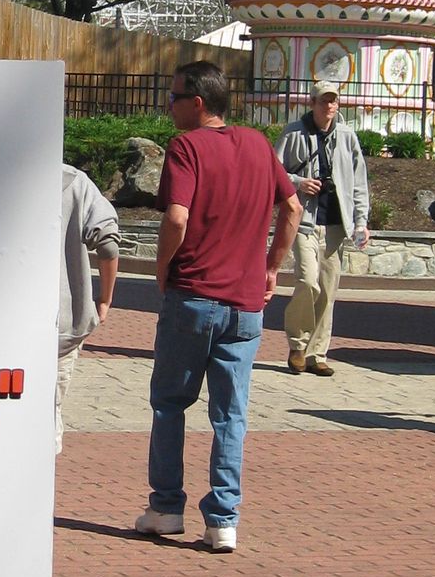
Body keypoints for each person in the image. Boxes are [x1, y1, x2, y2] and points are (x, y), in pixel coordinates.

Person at [137, 64, 301, 552]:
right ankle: (223, 520)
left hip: (193, 295)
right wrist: (272, 267)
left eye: (174, 98)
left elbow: (176, 216)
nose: (170, 106)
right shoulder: (257, 143)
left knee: (170, 404)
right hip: (246, 304)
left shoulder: (187, 147)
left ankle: (166, 508)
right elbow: (291, 208)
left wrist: (161, 268)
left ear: (198, 102)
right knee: (231, 415)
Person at [278, 83, 371, 376]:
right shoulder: (294, 133)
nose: (329, 107)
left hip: (334, 225)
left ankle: (316, 353)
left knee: (328, 291)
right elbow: (273, 170)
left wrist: (360, 222)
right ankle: (297, 344)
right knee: (307, 281)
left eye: (333, 102)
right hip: (304, 220)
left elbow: (358, 182)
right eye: (323, 102)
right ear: (312, 102)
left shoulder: (346, 136)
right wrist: (298, 182)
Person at [56, 166, 120, 454]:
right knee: (49, 416)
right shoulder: (74, 181)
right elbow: (108, 246)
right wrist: (104, 299)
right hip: (61, 329)